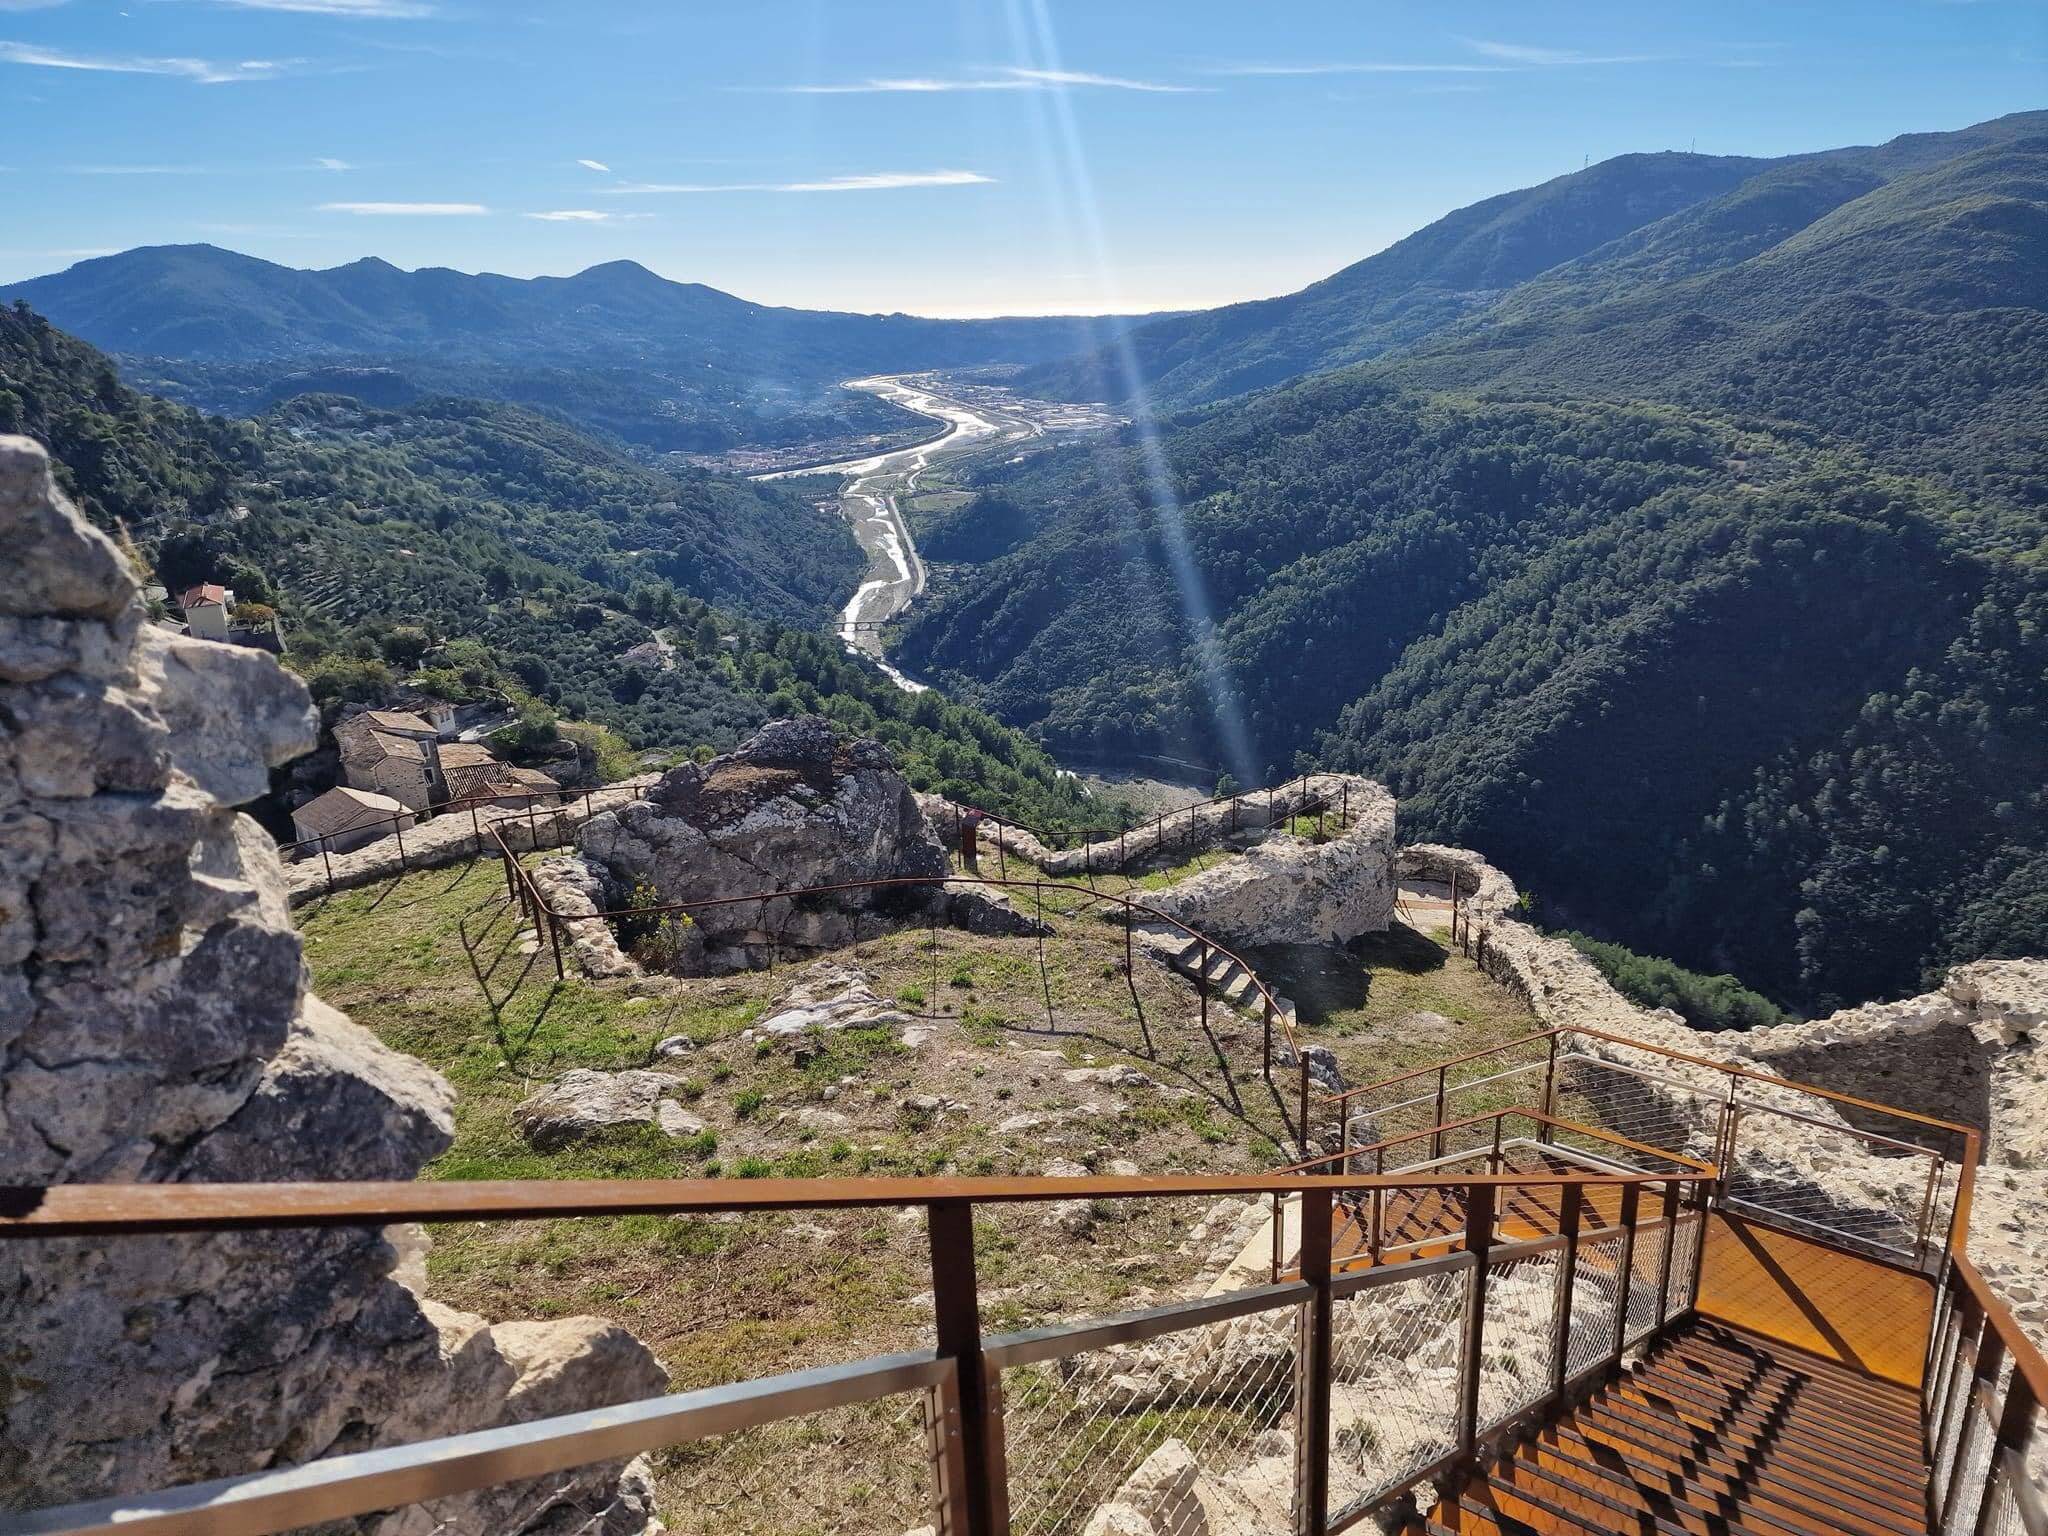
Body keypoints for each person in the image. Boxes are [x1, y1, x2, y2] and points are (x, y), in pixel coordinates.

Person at [960, 805, 985, 872]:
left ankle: (968, 856)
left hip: (967, 825)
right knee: (970, 842)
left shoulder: (971, 811)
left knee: (969, 841)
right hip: (969, 826)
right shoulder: (977, 813)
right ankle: (970, 858)